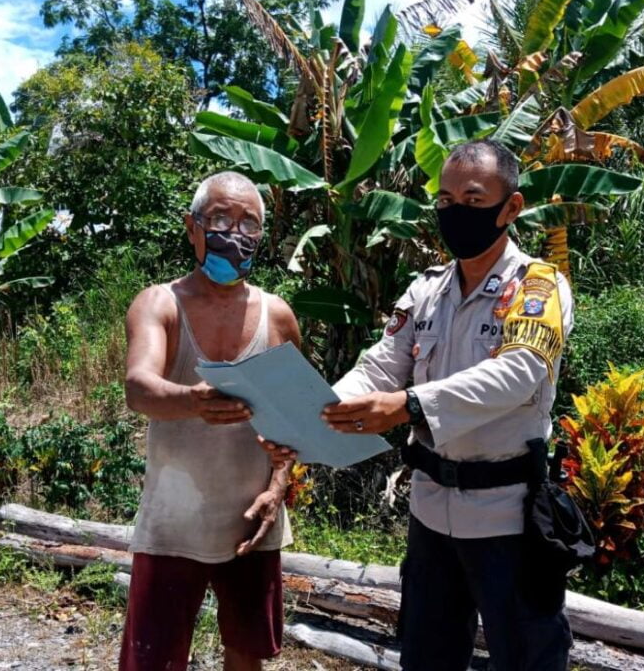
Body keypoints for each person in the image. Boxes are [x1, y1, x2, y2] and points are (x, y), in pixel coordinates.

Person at [265, 140, 575, 670]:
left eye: (474, 200)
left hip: (507, 520)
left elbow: (521, 372)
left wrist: (409, 406)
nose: (456, 212)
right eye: (446, 200)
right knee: (427, 659)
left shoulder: (537, 286)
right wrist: (312, 416)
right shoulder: (426, 290)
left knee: (525, 660)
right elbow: (379, 367)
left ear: (512, 207)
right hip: (430, 514)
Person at [120, 171, 300, 671]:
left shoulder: (278, 317)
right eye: (220, 218)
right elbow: (139, 387)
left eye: (250, 223)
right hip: (173, 523)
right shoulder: (161, 304)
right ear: (192, 227)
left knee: (247, 652)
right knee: (154, 657)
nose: (235, 233)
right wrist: (193, 400)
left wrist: (279, 485)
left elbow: (291, 420)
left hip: (252, 520)